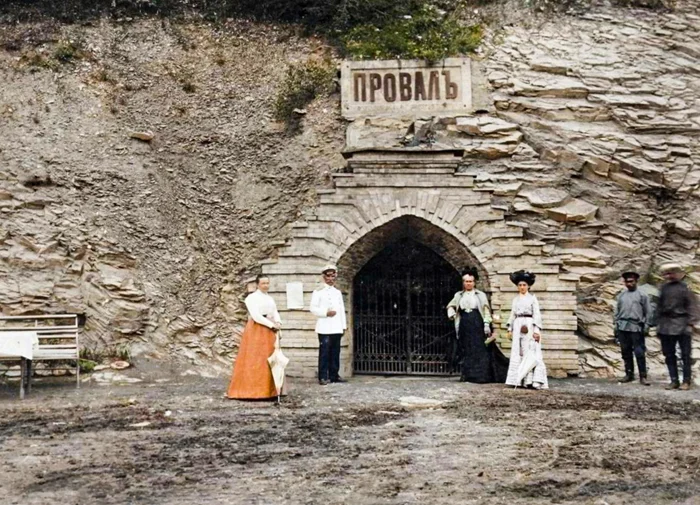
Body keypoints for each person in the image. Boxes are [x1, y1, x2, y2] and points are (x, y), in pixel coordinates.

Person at [447, 267, 509, 384]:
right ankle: (468, 375)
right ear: (463, 282)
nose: (468, 283)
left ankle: (480, 376)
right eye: (466, 281)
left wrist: (486, 324)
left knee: (479, 348)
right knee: (467, 349)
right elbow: (451, 305)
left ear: (474, 282)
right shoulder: (459, 295)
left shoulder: (480, 295)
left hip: (477, 323)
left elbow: (486, 310)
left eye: (470, 281)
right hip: (465, 323)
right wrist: (452, 313)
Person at [226, 274, 282, 400]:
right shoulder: (251, 298)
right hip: (257, 329)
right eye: (263, 283)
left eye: (267, 283)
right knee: (256, 358)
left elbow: (275, 312)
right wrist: (271, 325)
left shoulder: (269, 298)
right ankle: (252, 391)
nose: (266, 285)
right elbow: (256, 316)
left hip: (270, 330)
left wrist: (278, 322)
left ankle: (270, 391)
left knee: (269, 357)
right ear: (257, 284)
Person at [656, 263, 699, 390]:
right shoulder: (663, 288)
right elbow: (659, 308)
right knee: (669, 354)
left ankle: (686, 381)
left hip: (682, 324)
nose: (669, 276)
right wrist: (658, 324)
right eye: (667, 273)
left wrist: (690, 324)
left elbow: (693, 307)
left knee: (685, 355)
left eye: (672, 273)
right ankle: (674, 380)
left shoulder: (685, 288)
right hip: (666, 325)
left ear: (678, 274)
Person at [504, 270, 548, 390]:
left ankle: (531, 380)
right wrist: (510, 329)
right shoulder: (515, 299)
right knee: (518, 351)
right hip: (518, 325)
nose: (522, 287)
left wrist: (536, 331)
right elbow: (512, 314)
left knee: (530, 350)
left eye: (524, 285)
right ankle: (517, 380)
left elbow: (537, 315)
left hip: (529, 325)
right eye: (520, 285)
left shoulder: (532, 299)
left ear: (528, 286)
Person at [310, 264, 347, 385]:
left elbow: (341, 310)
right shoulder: (318, 292)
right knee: (324, 352)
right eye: (328, 276)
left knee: (335, 352)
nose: (331, 279)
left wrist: (343, 326)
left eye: (333, 276)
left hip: (336, 326)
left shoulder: (337, 292)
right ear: (324, 277)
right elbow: (313, 308)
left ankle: (334, 375)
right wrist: (325, 313)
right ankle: (322, 376)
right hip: (324, 326)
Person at [614, 271, 651, 386]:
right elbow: (617, 312)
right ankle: (629, 374)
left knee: (639, 352)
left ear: (636, 281)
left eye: (631, 281)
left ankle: (643, 376)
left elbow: (648, 312)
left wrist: (646, 326)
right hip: (623, 327)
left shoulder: (642, 295)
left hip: (636, 327)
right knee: (625, 352)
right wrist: (616, 326)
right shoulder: (621, 296)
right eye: (627, 282)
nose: (629, 284)